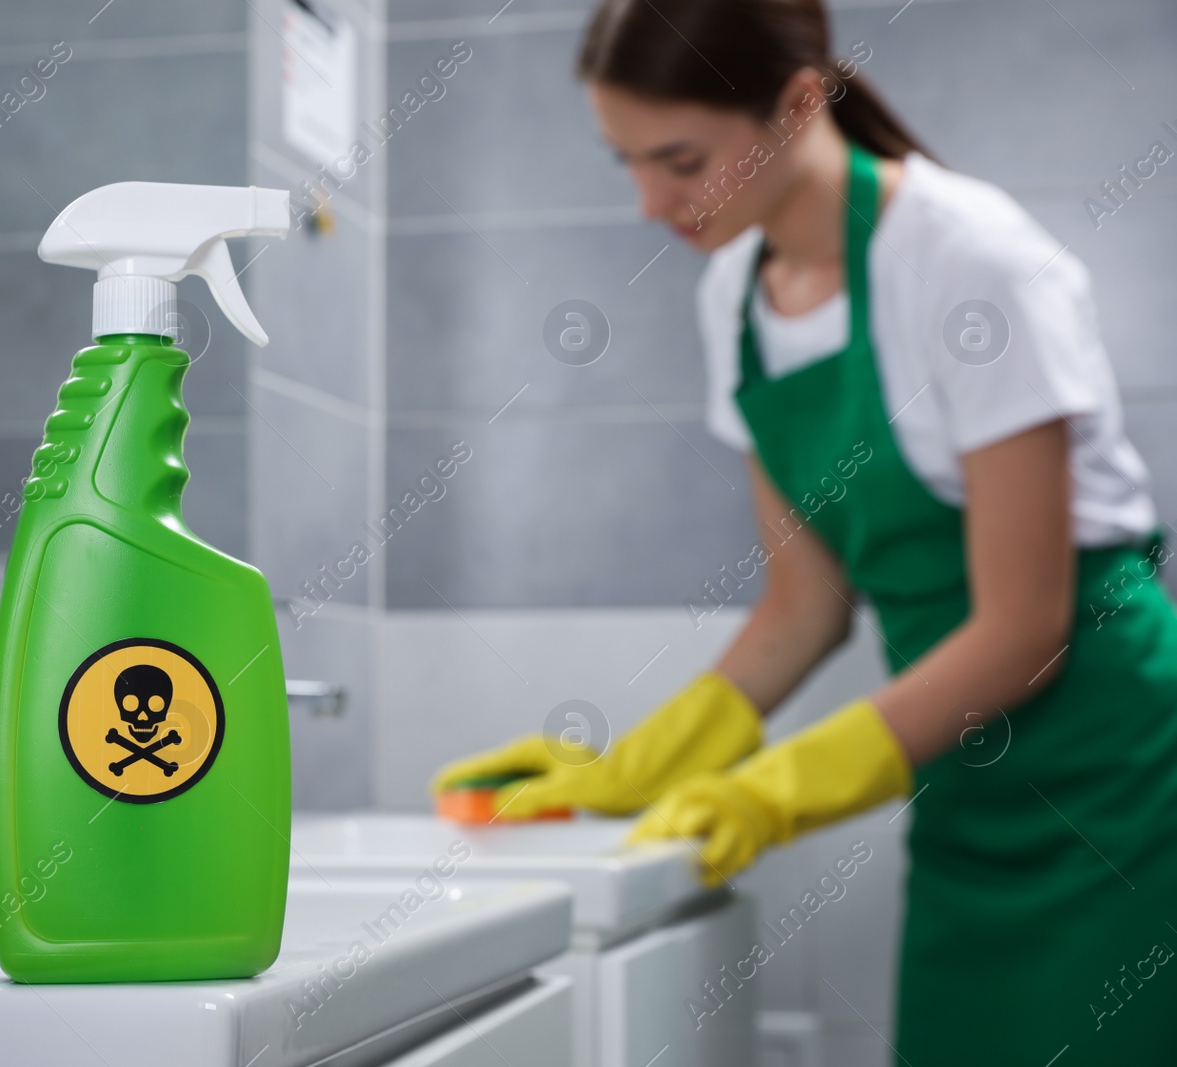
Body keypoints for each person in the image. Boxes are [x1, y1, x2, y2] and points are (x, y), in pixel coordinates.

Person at [433, 0, 1177, 1059]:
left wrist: (779, 787)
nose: (650, 203)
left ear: (793, 105)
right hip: (964, 770)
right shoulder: (737, 293)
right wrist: (643, 759)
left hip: (1118, 780)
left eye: (680, 160)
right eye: (626, 164)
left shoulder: (971, 260)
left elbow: (1025, 624)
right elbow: (806, 607)